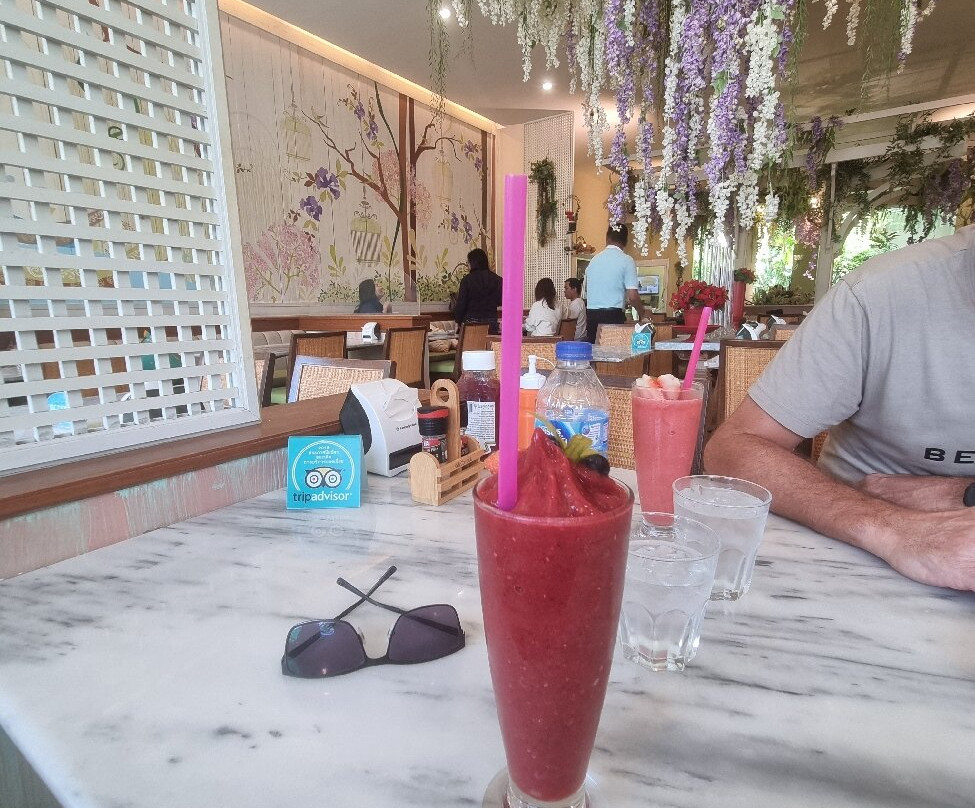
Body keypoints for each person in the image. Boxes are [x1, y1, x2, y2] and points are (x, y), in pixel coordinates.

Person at [704, 224, 975, 592]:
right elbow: (733, 448)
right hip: (854, 564)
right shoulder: (880, 295)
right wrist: (892, 525)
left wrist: (961, 492)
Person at [582, 224, 646, 342]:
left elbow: (585, 294)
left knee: (594, 351)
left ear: (607, 238)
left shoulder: (593, 261)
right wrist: (643, 313)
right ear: (626, 241)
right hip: (613, 316)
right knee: (614, 350)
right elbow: (632, 297)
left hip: (591, 315)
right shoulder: (626, 260)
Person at [454, 248, 502, 334]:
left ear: (472, 263)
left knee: (472, 342)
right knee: (489, 342)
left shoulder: (467, 280)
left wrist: (458, 320)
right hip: (491, 321)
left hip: (472, 322)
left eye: (468, 262)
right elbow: (500, 301)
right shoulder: (497, 279)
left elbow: (461, 304)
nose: (467, 265)